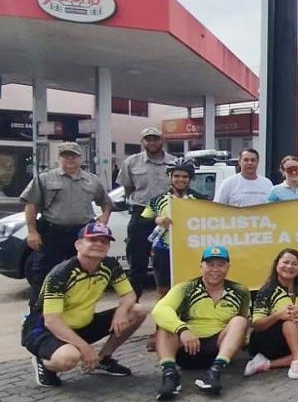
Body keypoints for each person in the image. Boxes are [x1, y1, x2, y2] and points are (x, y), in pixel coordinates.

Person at [20, 222, 146, 387]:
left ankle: (103, 359)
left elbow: (129, 295)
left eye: (104, 241)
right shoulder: (60, 274)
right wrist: (85, 349)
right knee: (68, 358)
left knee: (137, 310)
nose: (99, 244)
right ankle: (44, 363)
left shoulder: (109, 265)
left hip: (83, 324)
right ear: (78, 245)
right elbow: (52, 321)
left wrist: (122, 311)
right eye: (92, 240)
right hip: (45, 330)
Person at [150, 245, 251, 401]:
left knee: (240, 321)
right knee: (164, 325)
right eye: (210, 264)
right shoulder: (185, 287)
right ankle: (170, 375)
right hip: (186, 347)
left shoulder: (240, 290)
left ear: (228, 267)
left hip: (218, 350)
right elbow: (159, 310)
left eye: (220, 264)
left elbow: (244, 319)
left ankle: (214, 373)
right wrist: (182, 330)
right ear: (201, 266)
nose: (215, 269)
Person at [20, 142, 113, 303]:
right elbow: (31, 204)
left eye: (74, 156)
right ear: (59, 158)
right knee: (42, 274)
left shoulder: (92, 181)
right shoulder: (44, 179)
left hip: (82, 234)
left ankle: (75, 312)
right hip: (52, 232)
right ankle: (37, 316)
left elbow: (107, 204)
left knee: (81, 274)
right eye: (65, 155)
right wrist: (32, 231)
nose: (70, 159)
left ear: (80, 158)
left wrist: (102, 224)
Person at [244, 248, 298, 381]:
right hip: (265, 340)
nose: (289, 267)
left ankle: (266, 364)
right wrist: (278, 315)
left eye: (294, 264)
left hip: (288, 340)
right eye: (285, 262)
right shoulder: (266, 290)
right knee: (290, 318)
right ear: (277, 264)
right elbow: (257, 325)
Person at [117, 127, 170, 297]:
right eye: (148, 139)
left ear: (162, 140)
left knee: (167, 264)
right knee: (137, 263)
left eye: (155, 139)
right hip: (141, 215)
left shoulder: (173, 162)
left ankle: (168, 305)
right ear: (142, 142)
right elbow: (127, 188)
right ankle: (133, 304)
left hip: (167, 216)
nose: (152, 142)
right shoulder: (131, 162)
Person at [142, 159, 200, 297]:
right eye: (177, 176)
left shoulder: (200, 199)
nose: (181, 180)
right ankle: (163, 317)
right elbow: (141, 222)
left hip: (190, 250)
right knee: (164, 290)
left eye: (185, 176)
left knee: (191, 290)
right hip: (163, 250)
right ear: (170, 177)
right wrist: (156, 219)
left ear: (190, 178)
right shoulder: (158, 200)